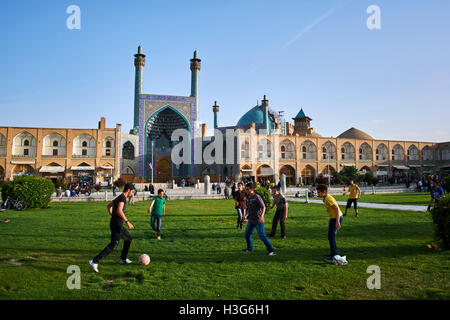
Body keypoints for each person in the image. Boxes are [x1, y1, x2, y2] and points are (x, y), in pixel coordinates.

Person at [89, 183, 135, 273]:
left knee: (127, 239)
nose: (132, 194)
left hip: (114, 222)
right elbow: (119, 210)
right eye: (132, 192)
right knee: (115, 245)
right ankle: (94, 261)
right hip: (117, 224)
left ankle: (122, 258)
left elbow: (109, 206)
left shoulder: (119, 197)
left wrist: (113, 215)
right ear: (128, 190)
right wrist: (127, 221)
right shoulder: (122, 198)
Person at [242, 183, 276, 256]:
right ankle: (249, 248)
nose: (246, 190)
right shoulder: (248, 197)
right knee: (247, 234)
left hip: (258, 220)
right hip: (251, 220)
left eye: (247, 189)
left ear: (252, 189)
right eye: (246, 189)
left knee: (262, 235)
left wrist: (261, 217)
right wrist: (245, 216)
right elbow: (249, 208)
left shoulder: (257, 197)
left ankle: (272, 251)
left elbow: (264, 207)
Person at [316, 184, 343, 263]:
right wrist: (331, 219)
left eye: (318, 192)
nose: (317, 194)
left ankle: (335, 255)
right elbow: (332, 210)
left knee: (331, 237)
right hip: (333, 218)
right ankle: (332, 253)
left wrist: (337, 221)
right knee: (330, 236)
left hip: (337, 218)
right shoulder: (325, 198)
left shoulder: (328, 199)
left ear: (324, 192)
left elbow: (337, 209)